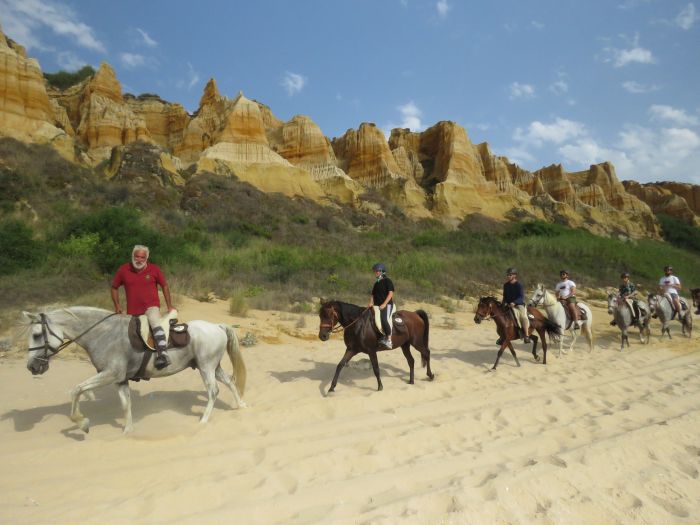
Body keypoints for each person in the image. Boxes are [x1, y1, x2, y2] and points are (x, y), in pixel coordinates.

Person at [111, 245, 175, 369]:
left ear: (146, 258)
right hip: (132, 311)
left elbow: (165, 286)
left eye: (142, 257)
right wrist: (117, 306)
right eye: (137, 256)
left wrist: (169, 305)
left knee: (155, 323)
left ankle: (162, 354)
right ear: (133, 256)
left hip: (151, 307)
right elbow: (114, 287)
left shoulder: (154, 269)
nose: (139, 259)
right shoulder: (123, 270)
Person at [368, 262, 394, 349]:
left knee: (384, 319)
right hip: (377, 305)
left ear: (382, 271)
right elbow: (372, 295)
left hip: (387, 305)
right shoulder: (376, 283)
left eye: (377, 271)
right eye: (375, 271)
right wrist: (371, 302)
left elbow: (390, 294)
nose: (375, 273)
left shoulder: (388, 281)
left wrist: (384, 304)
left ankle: (389, 340)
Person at [501, 268, 530, 343]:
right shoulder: (506, 285)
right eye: (507, 275)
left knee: (523, 317)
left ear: (514, 276)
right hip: (508, 304)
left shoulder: (519, 285)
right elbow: (504, 296)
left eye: (510, 275)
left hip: (518, 304)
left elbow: (521, 297)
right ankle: (502, 335)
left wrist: (514, 302)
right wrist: (503, 303)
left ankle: (526, 335)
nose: (508, 276)